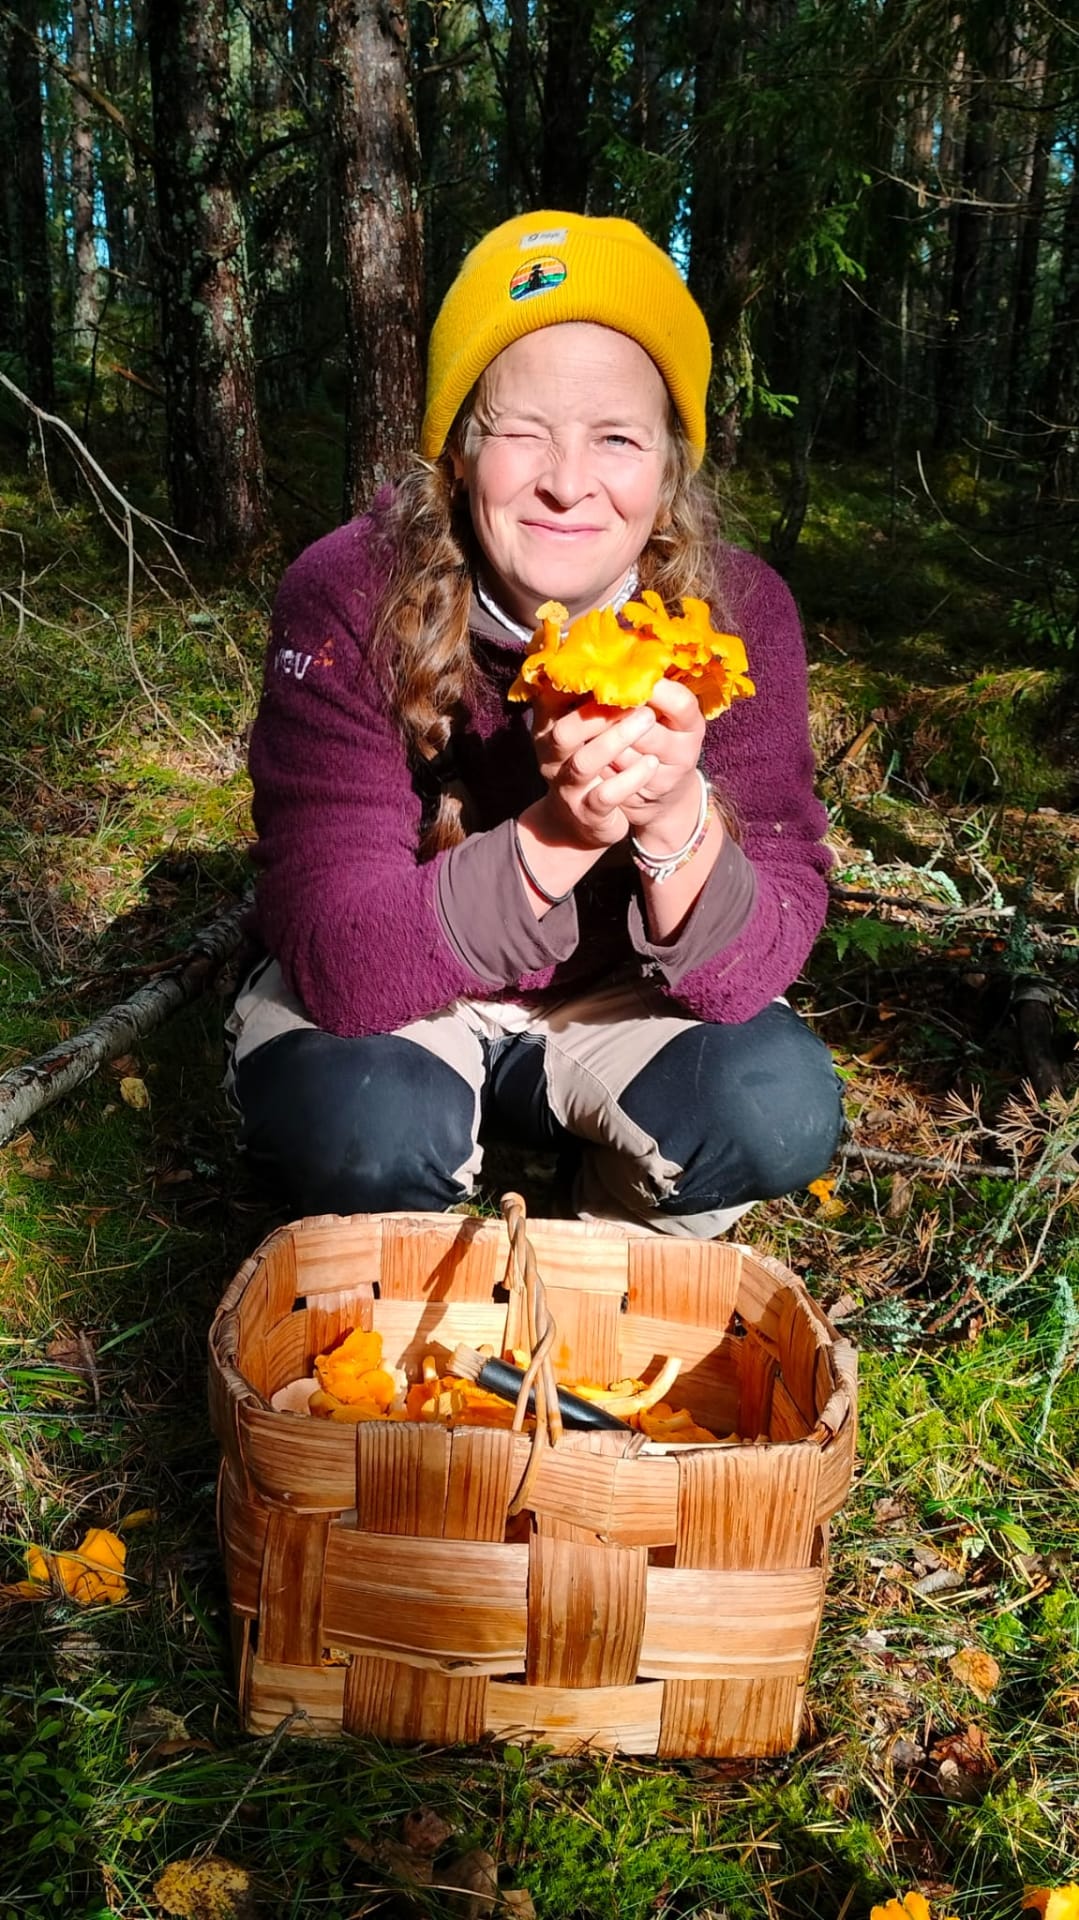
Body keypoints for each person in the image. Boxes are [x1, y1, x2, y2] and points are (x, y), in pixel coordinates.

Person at [228, 210, 843, 1234]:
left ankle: (603, 1272)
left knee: (770, 1107)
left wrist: (672, 816)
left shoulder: (736, 616)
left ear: (668, 468)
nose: (566, 480)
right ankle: (419, 1284)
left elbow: (762, 952)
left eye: (615, 437)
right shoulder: (346, 594)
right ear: (459, 451)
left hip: (615, 1006)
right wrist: (559, 837)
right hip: (404, 1006)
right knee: (361, 1128)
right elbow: (336, 960)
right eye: (522, 430)